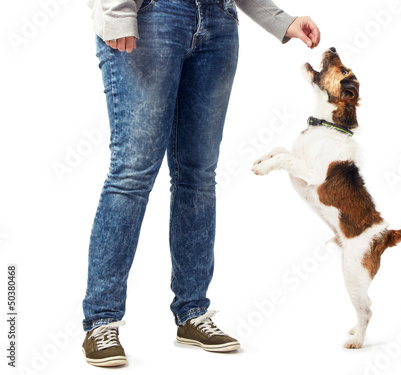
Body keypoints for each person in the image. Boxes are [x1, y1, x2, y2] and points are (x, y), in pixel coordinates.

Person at [82, 0, 320, 367]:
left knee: (198, 175)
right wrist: (115, 11)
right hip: (152, 16)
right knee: (131, 174)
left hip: (218, 21)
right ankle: (101, 320)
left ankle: (192, 312)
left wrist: (281, 21)